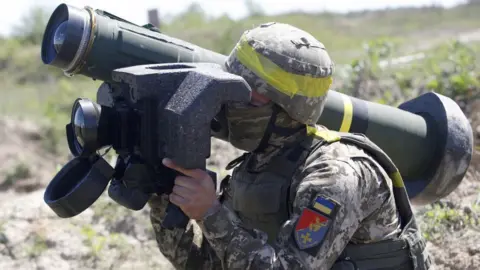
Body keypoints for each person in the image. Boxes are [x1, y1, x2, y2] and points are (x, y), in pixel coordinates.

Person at [148, 22, 432, 270]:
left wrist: (210, 213)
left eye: (245, 96)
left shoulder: (334, 175)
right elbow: (209, 264)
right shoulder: (257, 166)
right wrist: (162, 196)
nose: (227, 105)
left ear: (287, 109)